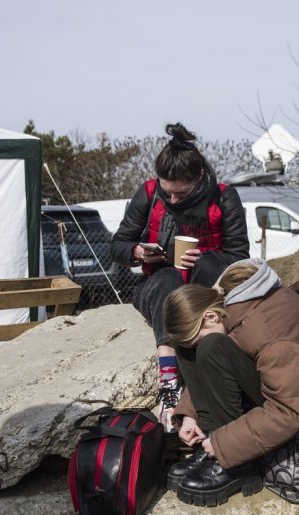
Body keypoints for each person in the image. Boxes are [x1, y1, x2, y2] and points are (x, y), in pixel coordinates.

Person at [162, 258, 299, 506]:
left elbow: (288, 411)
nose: (196, 348)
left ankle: (236, 464)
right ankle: (210, 441)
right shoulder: (231, 308)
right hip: (279, 386)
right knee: (189, 349)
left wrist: (224, 444)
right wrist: (190, 415)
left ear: (211, 316)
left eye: (198, 335)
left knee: (211, 346)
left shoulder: (272, 334)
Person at [110, 123, 249, 431]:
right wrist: (137, 251)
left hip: (205, 289)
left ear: (199, 178)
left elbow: (240, 258)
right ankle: (169, 381)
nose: (171, 200)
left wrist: (205, 256)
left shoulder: (224, 198)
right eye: (166, 192)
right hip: (158, 285)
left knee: (211, 265)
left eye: (180, 193)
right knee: (168, 280)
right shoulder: (148, 193)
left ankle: (209, 371)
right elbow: (117, 246)